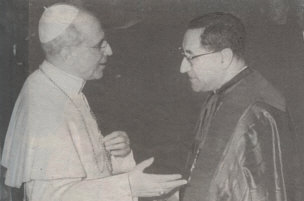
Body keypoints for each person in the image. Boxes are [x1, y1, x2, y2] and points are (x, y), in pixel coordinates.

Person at [1, 3, 186, 201]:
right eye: (100, 45)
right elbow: (48, 196)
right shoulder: (45, 102)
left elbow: (83, 174)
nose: (110, 51)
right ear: (67, 53)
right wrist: (129, 187)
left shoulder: (65, 88)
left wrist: (117, 157)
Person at [178, 12, 302, 201]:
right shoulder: (218, 95)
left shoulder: (258, 113)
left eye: (191, 57)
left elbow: (265, 192)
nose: (183, 68)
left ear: (223, 57)